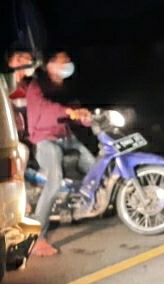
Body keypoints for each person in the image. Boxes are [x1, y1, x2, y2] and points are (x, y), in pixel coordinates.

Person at [26, 49, 95, 256]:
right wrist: (67, 112)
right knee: (54, 181)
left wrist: (86, 117)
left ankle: (87, 205)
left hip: (66, 138)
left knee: (95, 167)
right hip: (44, 140)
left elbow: (74, 110)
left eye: (69, 60)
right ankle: (37, 238)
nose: (68, 64)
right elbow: (45, 110)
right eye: (63, 61)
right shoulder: (37, 87)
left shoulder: (64, 88)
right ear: (50, 65)